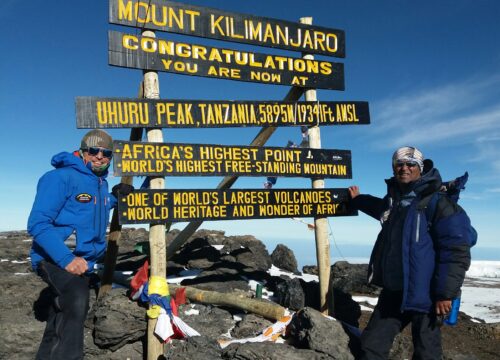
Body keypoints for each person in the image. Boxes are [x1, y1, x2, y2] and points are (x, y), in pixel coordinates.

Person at [348, 146, 473, 360]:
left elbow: (456, 251)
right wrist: (358, 199)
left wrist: (445, 294)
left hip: (428, 295)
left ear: (420, 168)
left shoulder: (438, 203)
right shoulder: (395, 200)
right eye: (399, 164)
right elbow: (379, 208)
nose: (404, 168)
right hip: (394, 289)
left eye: (410, 164)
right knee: (371, 345)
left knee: (427, 353)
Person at [28, 129, 132, 360]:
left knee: (59, 319)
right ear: (83, 151)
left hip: (82, 262)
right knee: (76, 300)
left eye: (106, 153)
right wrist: (67, 259)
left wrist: (117, 196)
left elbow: (92, 209)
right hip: (55, 257)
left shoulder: (100, 184)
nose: (100, 156)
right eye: (94, 151)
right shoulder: (59, 177)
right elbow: (38, 224)